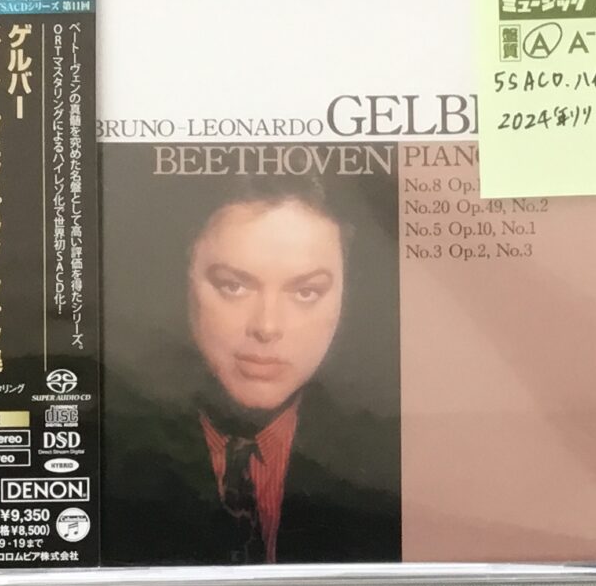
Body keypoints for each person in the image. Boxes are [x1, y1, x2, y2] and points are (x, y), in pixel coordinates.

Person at [104, 175, 399, 565]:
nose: (266, 326)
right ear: (185, 280)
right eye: (233, 286)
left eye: (306, 292)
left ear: (346, 295)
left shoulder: (394, 462)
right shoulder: (107, 452)